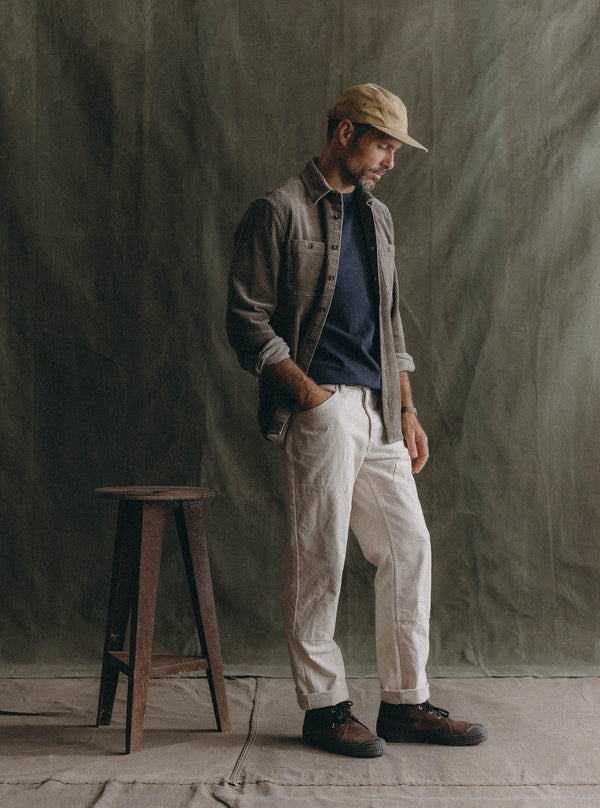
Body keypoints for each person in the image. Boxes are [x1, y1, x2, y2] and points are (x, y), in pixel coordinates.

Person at [226, 83, 487, 757]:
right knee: (319, 559)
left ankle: (405, 703)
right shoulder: (278, 210)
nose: (390, 161)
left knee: (408, 548)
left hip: (379, 406)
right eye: (382, 145)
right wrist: (311, 396)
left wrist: (406, 405)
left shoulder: (379, 217)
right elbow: (245, 319)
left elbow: (391, 322)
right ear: (344, 133)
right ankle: (325, 708)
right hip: (322, 404)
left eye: (396, 148)